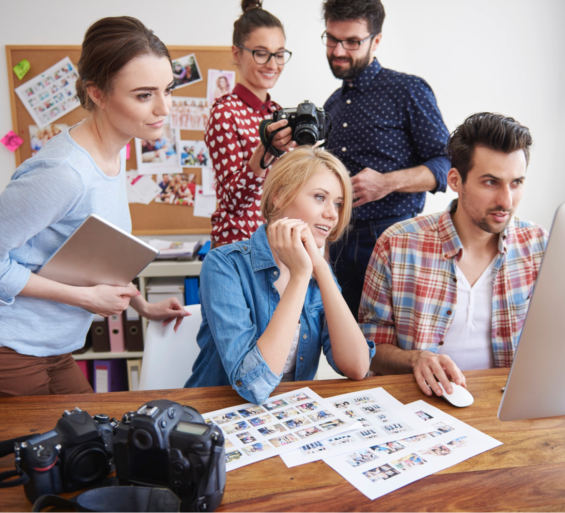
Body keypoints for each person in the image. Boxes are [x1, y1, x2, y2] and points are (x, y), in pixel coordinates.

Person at [0, 17, 190, 399]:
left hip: (54, 349)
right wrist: (86, 299)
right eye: (144, 95)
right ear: (97, 93)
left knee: (92, 451)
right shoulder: (64, 173)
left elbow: (95, 251)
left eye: (168, 89)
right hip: (2, 351)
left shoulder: (116, 149)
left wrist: (142, 306)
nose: (164, 108)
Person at [359, 113, 548, 397]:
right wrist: (416, 359)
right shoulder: (397, 245)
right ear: (455, 180)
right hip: (422, 406)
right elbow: (369, 349)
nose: (506, 201)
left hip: (505, 405)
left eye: (516, 183)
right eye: (490, 182)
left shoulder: (538, 245)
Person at [185, 147, 375, 404]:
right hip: (222, 413)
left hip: (288, 417)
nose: (332, 214)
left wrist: (319, 267)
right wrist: (299, 277)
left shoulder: (318, 270)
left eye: (338, 203)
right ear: (279, 195)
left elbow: (357, 366)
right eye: (320, 197)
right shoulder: (225, 264)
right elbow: (252, 386)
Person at [321, 0, 451, 319]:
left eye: (352, 41)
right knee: (346, 350)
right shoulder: (332, 104)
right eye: (332, 38)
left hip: (392, 237)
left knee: (393, 348)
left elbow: (447, 164)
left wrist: (387, 182)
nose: (338, 50)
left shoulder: (407, 90)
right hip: (337, 241)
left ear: (376, 40)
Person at [205, 0, 297, 246]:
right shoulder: (225, 112)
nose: (273, 64)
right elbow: (234, 202)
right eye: (261, 53)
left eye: (279, 54)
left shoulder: (277, 112)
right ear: (237, 53)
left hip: (276, 245)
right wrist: (266, 150)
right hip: (239, 248)